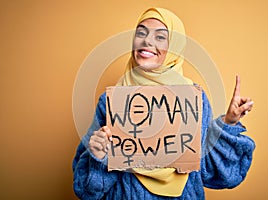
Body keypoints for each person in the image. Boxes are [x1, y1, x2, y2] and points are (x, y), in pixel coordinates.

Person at [72, 7, 255, 199]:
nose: (147, 41)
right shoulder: (110, 101)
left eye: (160, 37)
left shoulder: (195, 100)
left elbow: (214, 173)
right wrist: (99, 156)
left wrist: (229, 122)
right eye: (141, 33)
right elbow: (86, 190)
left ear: (174, 46)